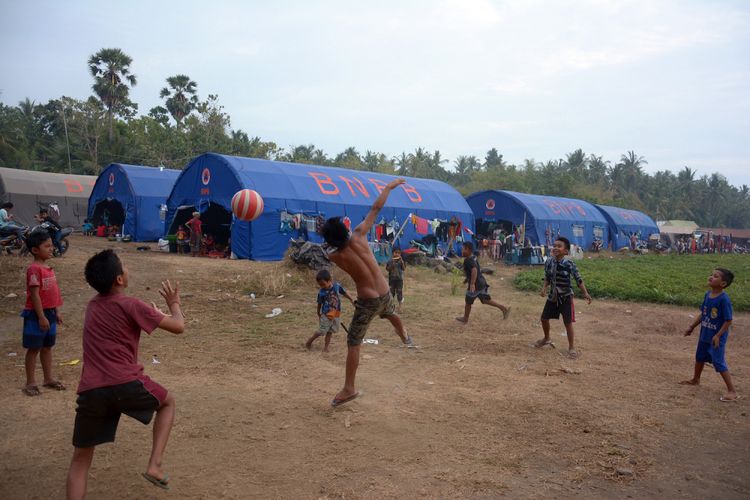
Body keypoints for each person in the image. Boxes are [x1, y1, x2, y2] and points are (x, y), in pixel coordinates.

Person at [65, 250, 185, 498]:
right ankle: (155, 464)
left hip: (91, 390)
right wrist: (173, 304)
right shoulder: (131, 304)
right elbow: (178, 326)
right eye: (125, 266)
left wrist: (152, 314)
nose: (127, 268)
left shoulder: (92, 306)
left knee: (80, 460)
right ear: (119, 279)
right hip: (125, 383)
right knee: (168, 402)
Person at [320, 178, 413, 407]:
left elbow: (326, 248)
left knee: (353, 341)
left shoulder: (335, 256)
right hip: (384, 293)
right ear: (346, 229)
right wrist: (389, 187)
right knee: (390, 313)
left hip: (368, 300)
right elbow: (376, 208)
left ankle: (349, 388)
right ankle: (404, 336)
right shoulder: (361, 234)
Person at [680, 268, 738, 402]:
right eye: (711, 275)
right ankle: (696, 379)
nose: (711, 277)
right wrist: (692, 327)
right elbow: (704, 313)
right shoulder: (707, 295)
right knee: (699, 357)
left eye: (715, 276)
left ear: (723, 284)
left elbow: (728, 320)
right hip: (705, 334)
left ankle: (732, 391)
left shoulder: (724, 300)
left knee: (718, 361)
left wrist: (718, 335)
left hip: (716, 338)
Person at [20, 229, 65, 396]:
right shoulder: (34, 269)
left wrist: (56, 311)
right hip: (36, 315)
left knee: (47, 347)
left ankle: (48, 378)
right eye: (47, 246)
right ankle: (30, 382)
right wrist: (41, 317)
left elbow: (53, 293)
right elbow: (35, 295)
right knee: (34, 348)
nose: (51, 248)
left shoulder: (48, 267)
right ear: (35, 250)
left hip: (50, 314)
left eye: (51, 245)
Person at [535, 236, 592, 359]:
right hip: (553, 296)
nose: (555, 248)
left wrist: (585, 293)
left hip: (566, 297)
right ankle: (546, 338)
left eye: (559, 246)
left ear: (566, 251)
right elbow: (547, 277)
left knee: (568, 323)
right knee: (544, 319)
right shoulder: (549, 261)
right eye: (554, 246)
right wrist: (544, 288)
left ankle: (571, 347)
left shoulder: (569, 263)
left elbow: (578, 279)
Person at [455, 241, 510, 325]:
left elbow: (474, 270)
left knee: (468, 302)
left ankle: (465, 319)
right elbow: (474, 270)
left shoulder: (468, 260)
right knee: (485, 300)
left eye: (463, 249)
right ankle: (503, 308)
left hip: (476, 285)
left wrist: (472, 283)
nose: (462, 251)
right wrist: (467, 280)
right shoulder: (474, 257)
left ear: (468, 250)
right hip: (481, 282)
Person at [306, 269, 354, 352]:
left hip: (336, 314)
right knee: (321, 331)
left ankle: (326, 347)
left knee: (330, 331)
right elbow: (319, 303)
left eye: (323, 284)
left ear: (329, 281)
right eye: (320, 285)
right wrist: (318, 312)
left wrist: (351, 299)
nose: (322, 286)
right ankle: (309, 341)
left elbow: (344, 293)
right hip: (326, 314)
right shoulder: (321, 292)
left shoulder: (337, 286)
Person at [385, 248, 406, 312]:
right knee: (391, 293)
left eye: (398, 253)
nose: (397, 254)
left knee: (399, 293)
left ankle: (400, 307)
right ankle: (390, 307)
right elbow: (387, 269)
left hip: (399, 280)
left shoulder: (401, 261)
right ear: (393, 253)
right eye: (395, 253)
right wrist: (392, 263)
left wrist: (401, 261)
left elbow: (404, 268)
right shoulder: (390, 261)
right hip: (392, 279)